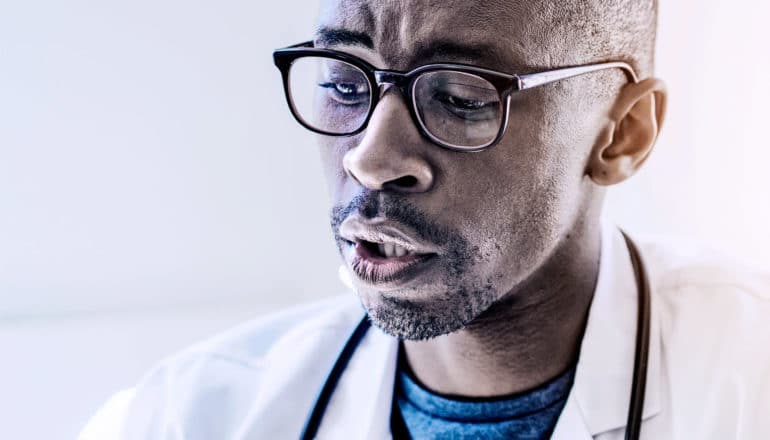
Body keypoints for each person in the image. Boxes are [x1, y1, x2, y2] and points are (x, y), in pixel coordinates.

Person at [81, 0, 770, 438]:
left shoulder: (749, 380)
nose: (371, 158)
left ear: (620, 134)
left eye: (463, 97)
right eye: (345, 84)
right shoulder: (194, 413)